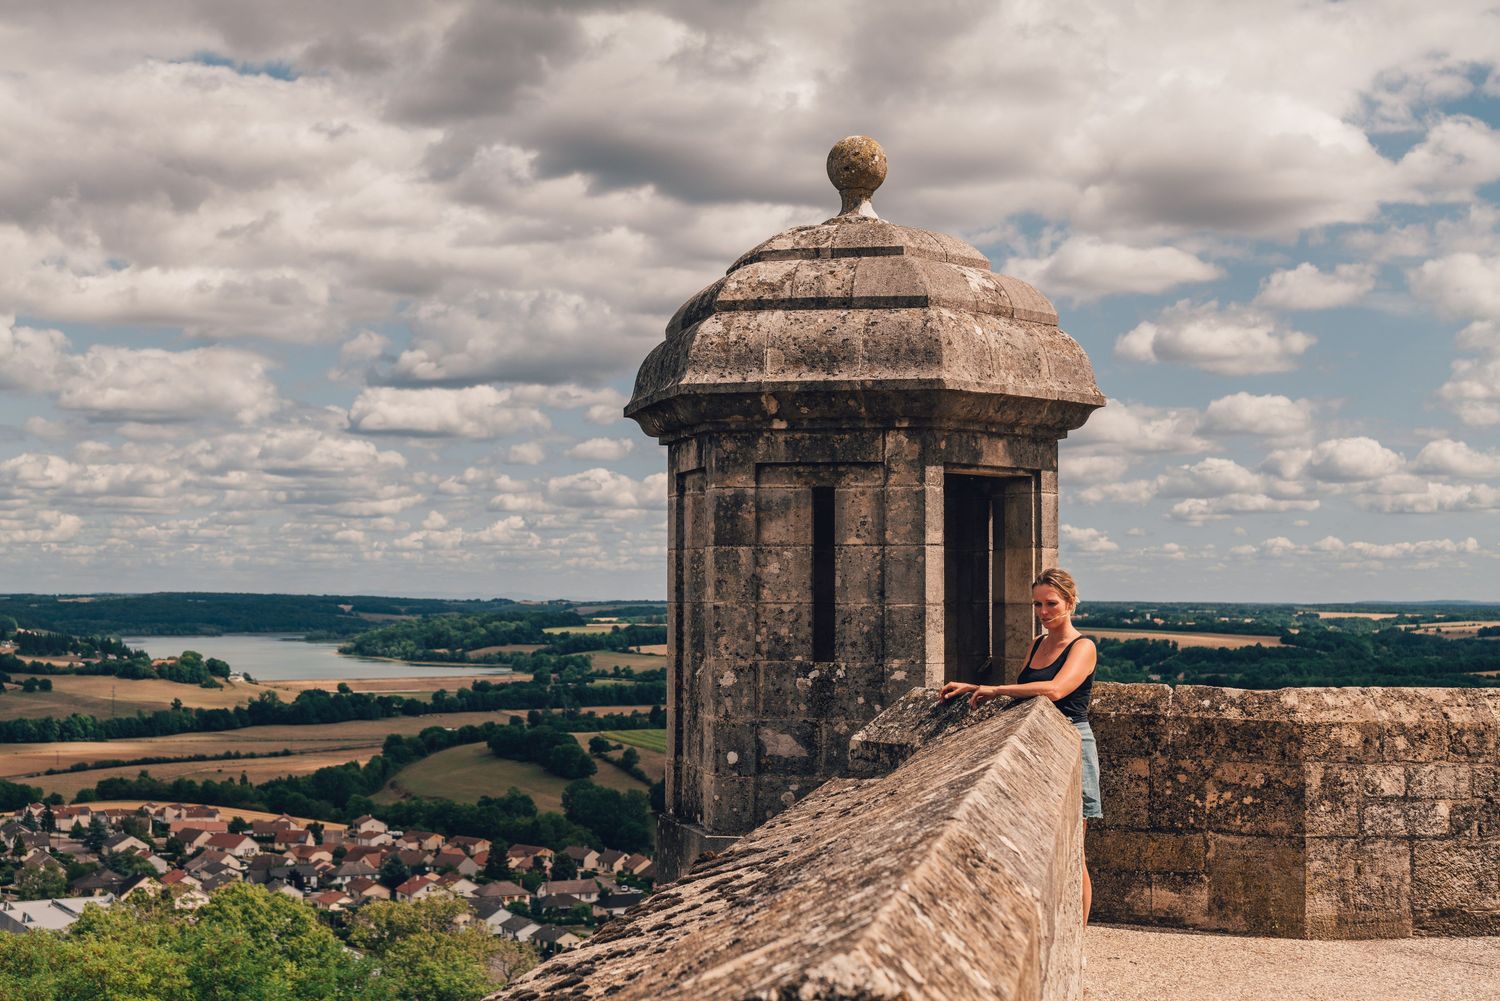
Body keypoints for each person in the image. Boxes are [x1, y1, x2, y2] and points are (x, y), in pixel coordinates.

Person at [938, 567, 1100, 928]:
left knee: (1073, 853)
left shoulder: (1083, 646)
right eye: (1037, 604)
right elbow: (1024, 694)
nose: (1043, 612)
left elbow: (1056, 690)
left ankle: (1077, 938)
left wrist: (994, 689)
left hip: (1071, 746)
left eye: (1051, 604)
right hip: (1037, 746)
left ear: (1071, 602)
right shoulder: (1037, 644)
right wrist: (973, 687)